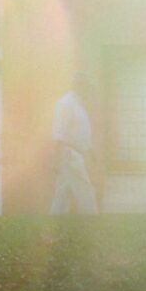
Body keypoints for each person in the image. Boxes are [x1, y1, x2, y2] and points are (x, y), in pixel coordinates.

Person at [49, 72, 98, 215]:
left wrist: (91, 154)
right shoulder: (66, 104)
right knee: (85, 190)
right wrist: (56, 158)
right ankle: (93, 222)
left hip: (75, 154)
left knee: (62, 194)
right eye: (86, 87)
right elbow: (59, 133)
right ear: (78, 86)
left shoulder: (77, 104)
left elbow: (81, 133)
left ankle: (56, 221)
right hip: (69, 154)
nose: (88, 91)